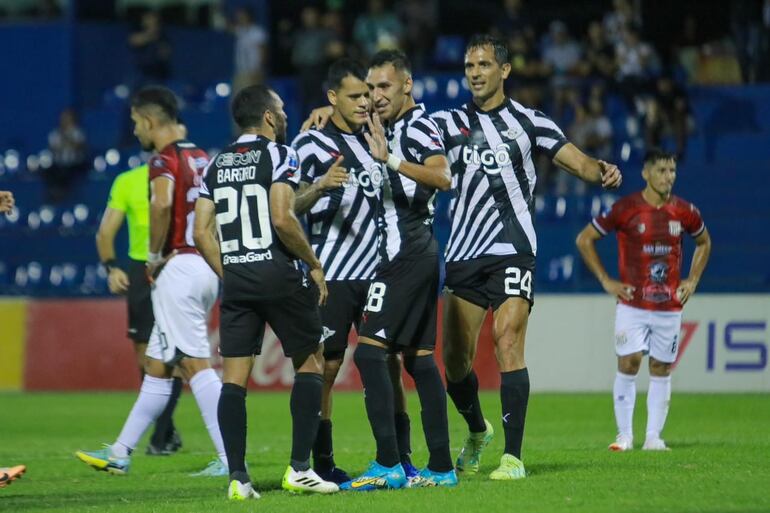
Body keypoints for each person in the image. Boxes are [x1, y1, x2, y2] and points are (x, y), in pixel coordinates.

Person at [429, 34, 622, 480]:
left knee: (509, 342)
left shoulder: (530, 122)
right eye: (469, 65)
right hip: (463, 253)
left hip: (514, 250)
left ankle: (513, 457)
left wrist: (602, 171)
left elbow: (577, 161)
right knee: (455, 363)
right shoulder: (447, 122)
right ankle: (478, 429)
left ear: (505, 70)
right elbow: (405, 136)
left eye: (483, 64)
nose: (474, 72)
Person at [193, 84, 338, 500]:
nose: (286, 116)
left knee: (233, 380)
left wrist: (233, 271)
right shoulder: (280, 154)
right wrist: (313, 263)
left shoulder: (216, 164)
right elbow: (282, 216)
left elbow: (201, 233)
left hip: (238, 280)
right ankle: (300, 469)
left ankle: (238, 478)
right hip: (278, 273)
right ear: (270, 117)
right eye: (281, 109)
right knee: (310, 363)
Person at [76, 86, 227, 477]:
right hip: (205, 264)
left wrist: (157, 256)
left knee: (197, 365)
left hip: (178, 266)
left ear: (149, 120)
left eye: (135, 123)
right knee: (158, 364)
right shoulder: (202, 158)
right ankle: (121, 451)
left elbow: (161, 203)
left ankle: (231, 459)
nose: (135, 130)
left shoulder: (164, 160)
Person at [291, 58, 416, 483]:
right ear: (331, 98)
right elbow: (286, 207)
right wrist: (320, 186)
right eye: (354, 96)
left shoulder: (377, 136)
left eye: (367, 94)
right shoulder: (308, 146)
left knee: (387, 363)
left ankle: (400, 458)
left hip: (380, 271)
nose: (365, 102)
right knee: (326, 368)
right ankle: (322, 462)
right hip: (332, 274)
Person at [340, 50, 455, 490]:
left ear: (407, 85)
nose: (375, 97)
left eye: (384, 87)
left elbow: (443, 176)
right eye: (370, 89)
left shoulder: (418, 127)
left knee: (370, 353)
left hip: (405, 252)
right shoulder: (388, 128)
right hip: (418, 252)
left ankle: (388, 463)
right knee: (420, 360)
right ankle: (441, 467)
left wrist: (390, 160)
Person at [575, 148, 711, 452]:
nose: (668, 177)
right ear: (646, 173)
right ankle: (624, 436)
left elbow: (704, 241)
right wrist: (606, 281)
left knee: (661, 368)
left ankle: (653, 437)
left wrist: (692, 280)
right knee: (630, 361)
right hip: (632, 304)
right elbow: (584, 239)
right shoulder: (626, 208)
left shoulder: (685, 211)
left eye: (672, 171)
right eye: (661, 170)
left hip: (669, 306)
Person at [95, 162, 183, 456]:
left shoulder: (129, 179)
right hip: (160, 267)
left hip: (159, 268)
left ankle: (161, 436)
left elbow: (105, 231)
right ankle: (165, 432)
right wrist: (111, 268)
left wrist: (111, 268)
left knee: (169, 354)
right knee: (155, 356)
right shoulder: (178, 172)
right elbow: (105, 232)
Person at [45, 108, 88, 204]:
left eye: (67, 118)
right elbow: (53, 149)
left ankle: (64, 194)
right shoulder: (55, 133)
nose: (65, 120)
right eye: (63, 118)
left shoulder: (78, 132)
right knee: (49, 171)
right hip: (58, 163)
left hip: (75, 164)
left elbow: (79, 146)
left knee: (68, 172)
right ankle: (54, 194)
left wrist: (67, 139)